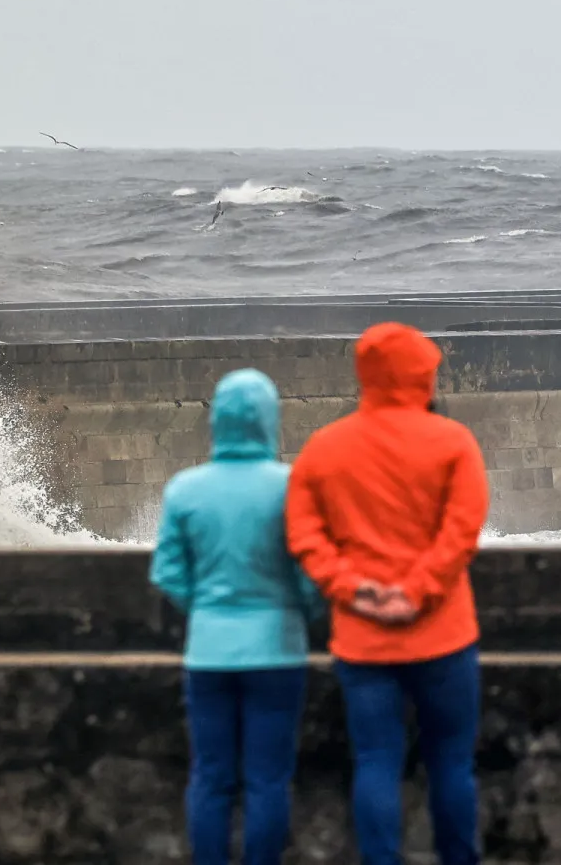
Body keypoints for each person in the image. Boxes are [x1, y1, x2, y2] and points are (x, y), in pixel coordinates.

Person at [285, 322, 490, 865]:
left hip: (363, 638)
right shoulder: (453, 443)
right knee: (452, 765)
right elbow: (461, 530)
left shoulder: (325, 448)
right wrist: (418, 591)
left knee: (375, 761)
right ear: (424, 373)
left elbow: (303, 533)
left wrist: (353, 589)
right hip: (444, 634)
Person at [149, 368, 324, 865]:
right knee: (268, 779)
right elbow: (312, 573)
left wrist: (204, 610)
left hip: (208, 652)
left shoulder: (185, 490)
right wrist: (301, 613)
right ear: (271, 421)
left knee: (210, 776)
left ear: (217, 423)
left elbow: (168, 573)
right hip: (277, 651)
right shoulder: (292, 487)